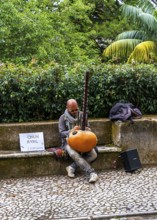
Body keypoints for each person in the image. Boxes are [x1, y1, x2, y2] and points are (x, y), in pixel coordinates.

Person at [58, 99, 99, 183]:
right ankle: (91, 173)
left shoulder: (82, 115)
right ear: (67, 108)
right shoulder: (63, 118)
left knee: (94, 154)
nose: (74, 112)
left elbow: (88, 129)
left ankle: (72, 167)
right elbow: (61, 133)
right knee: (73, 154)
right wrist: (71, 131)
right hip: (68, 142)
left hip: (82, 141)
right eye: (72, 110)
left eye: (76, 109)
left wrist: (88, 130)